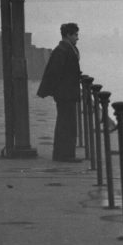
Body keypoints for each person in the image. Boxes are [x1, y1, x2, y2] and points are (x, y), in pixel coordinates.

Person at [37, 22, 83, 162]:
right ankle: (64, 155)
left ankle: (64, 154)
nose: (77, 38)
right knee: (66, 124)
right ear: (68, 35)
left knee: (67, 123)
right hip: (66, 94)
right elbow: (54, 73)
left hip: (67, 93)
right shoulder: (62, 50)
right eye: (75, 35)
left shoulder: (66, 48)